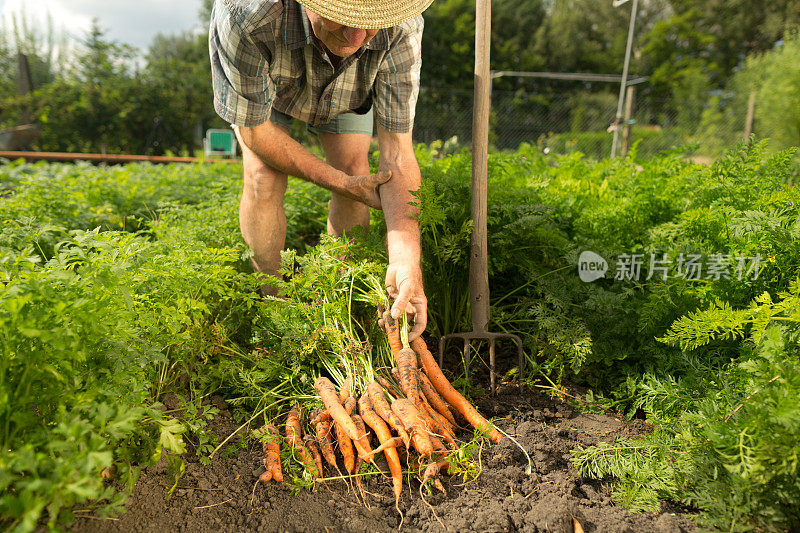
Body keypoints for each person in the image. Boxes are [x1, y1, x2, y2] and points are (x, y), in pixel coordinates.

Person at [209, 0, 432, 340]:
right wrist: (339, 183)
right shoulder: (247, 15)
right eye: (341, 18)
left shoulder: (400, 25)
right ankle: (276, 308)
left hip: (346, 90)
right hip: (269, 90)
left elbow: (397, 154)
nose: (356, 34)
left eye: (369, 21)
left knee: (357, 168)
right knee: (262, 177)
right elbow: (254, 130)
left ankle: (342, 300)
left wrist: (406, 261)